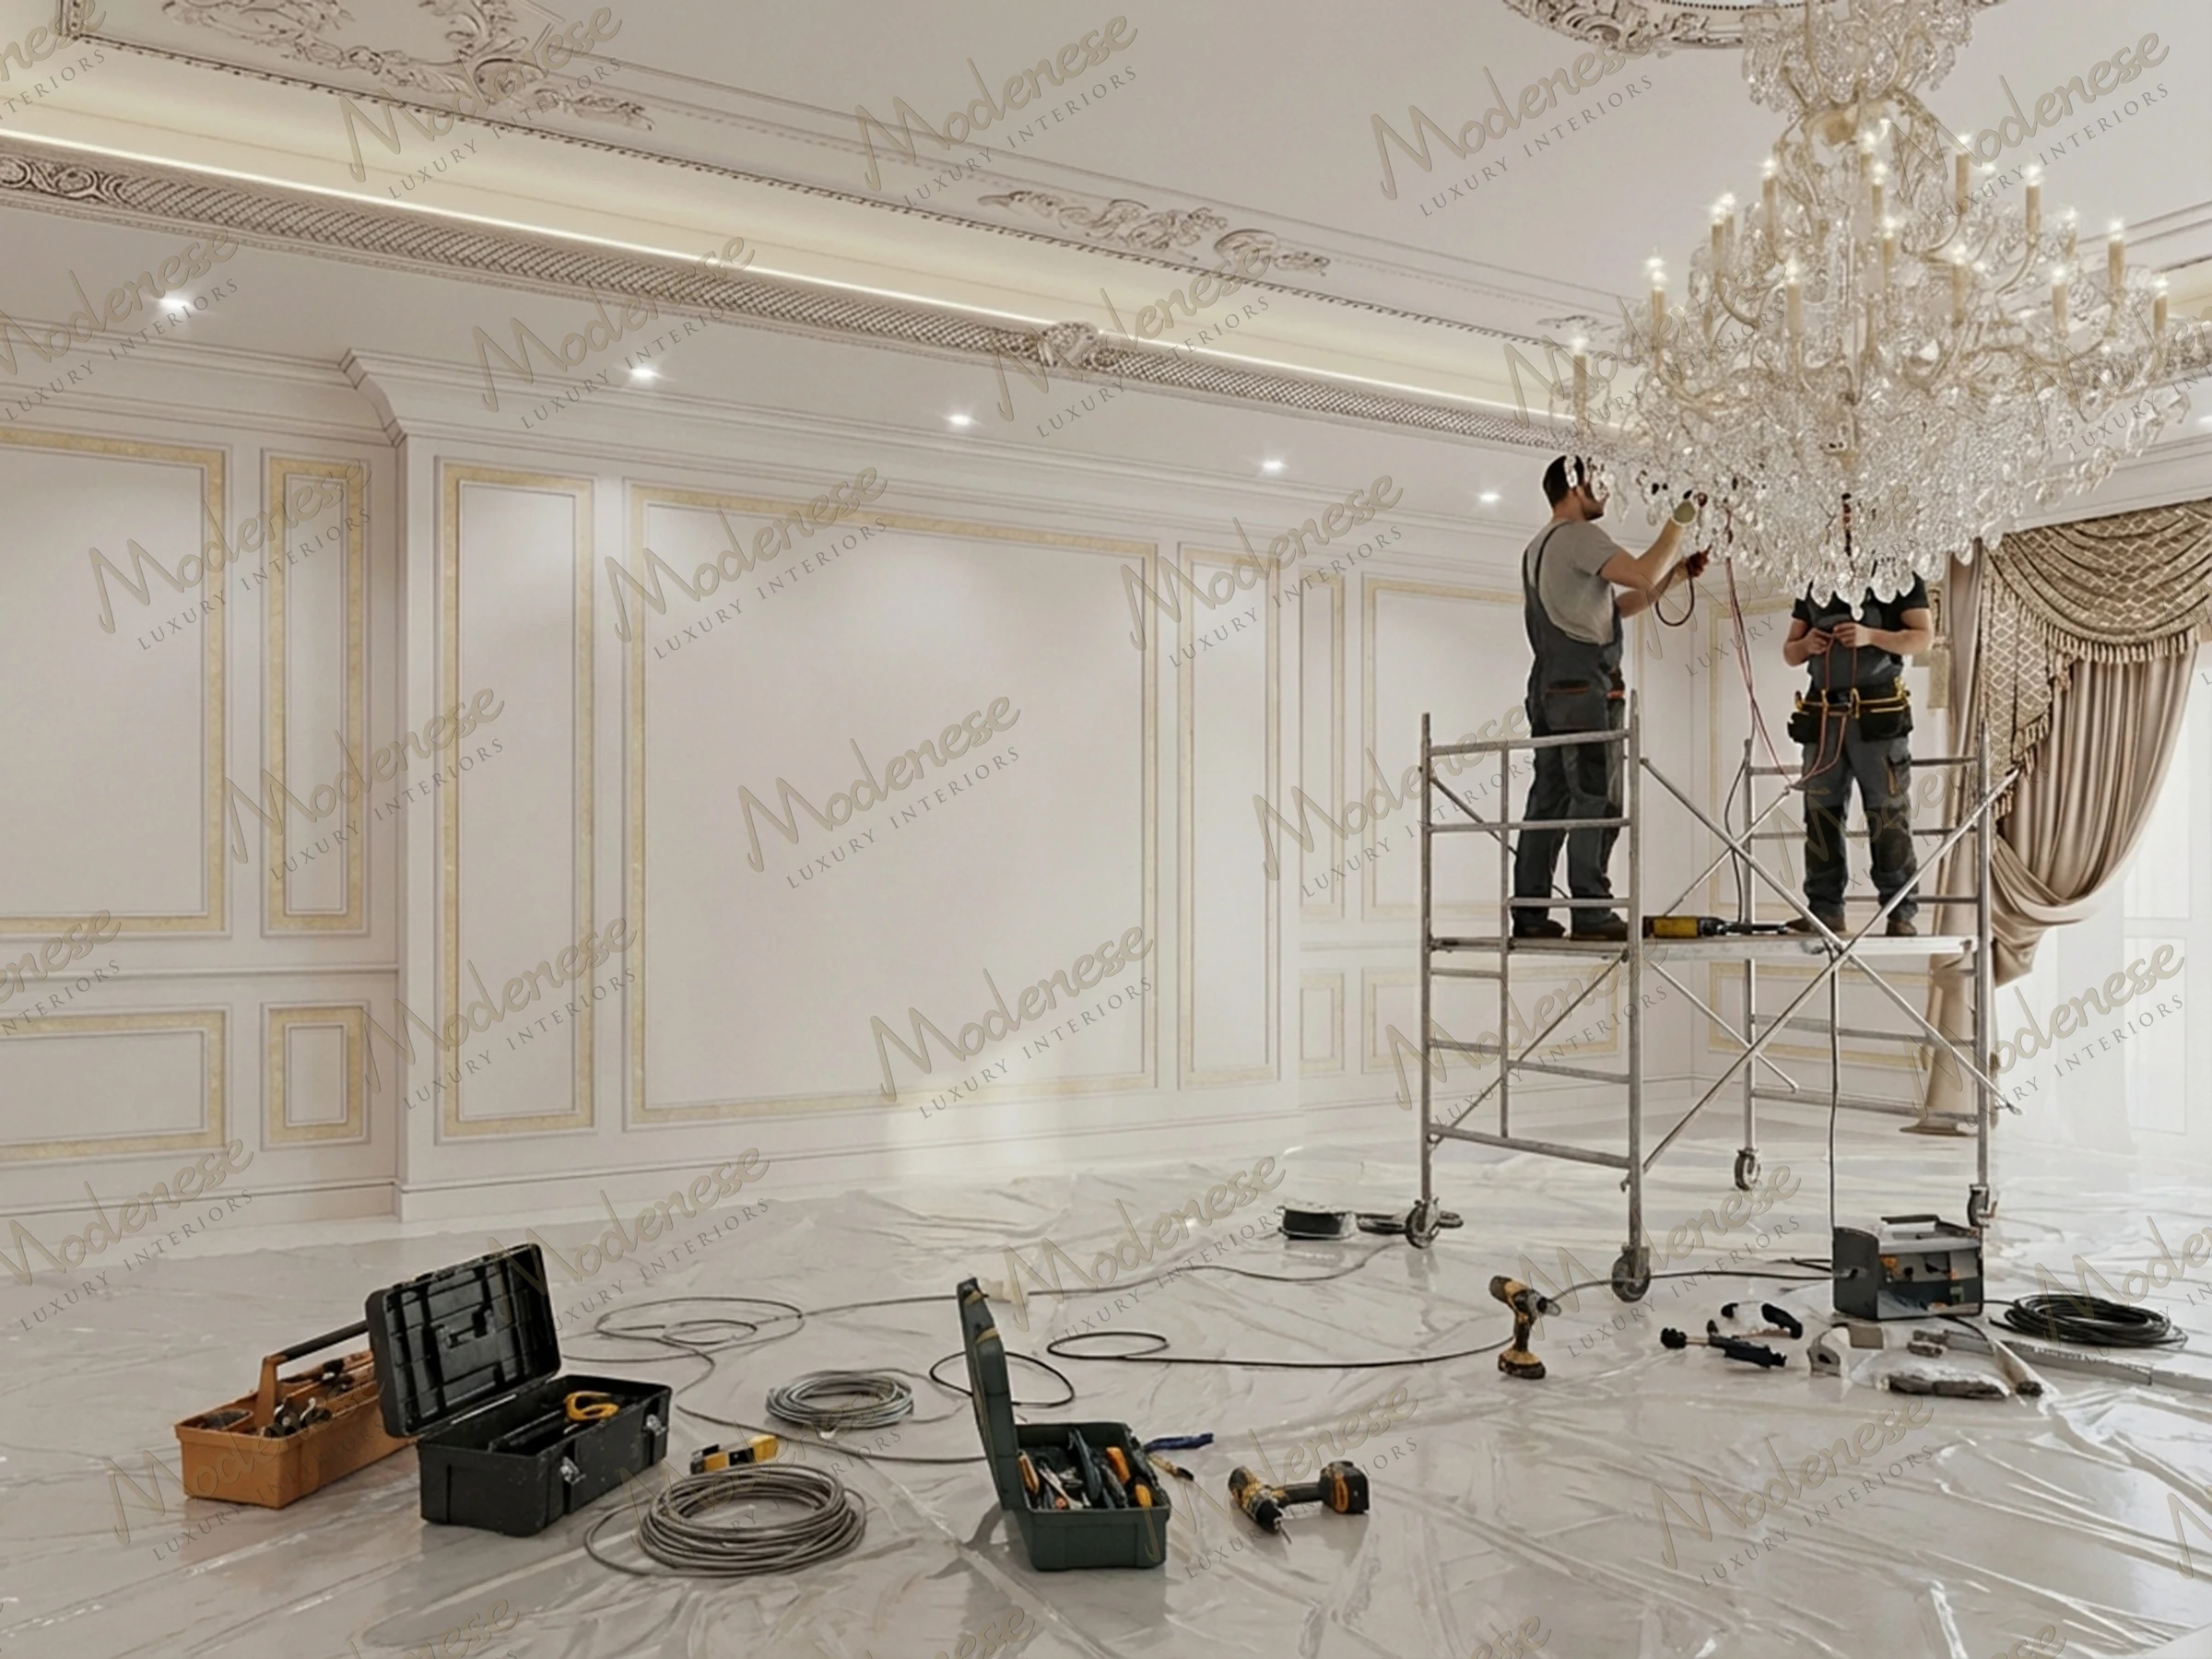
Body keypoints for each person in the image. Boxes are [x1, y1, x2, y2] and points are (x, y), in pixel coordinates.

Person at [1510, 456, 1705, 942]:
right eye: (1598, 484)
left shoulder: (1539, 547)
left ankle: (1531, 912)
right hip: (1584, 690)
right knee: (1597, 797)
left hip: (1548, 687)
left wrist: (1675, 577)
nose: (1606, 493)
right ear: (1574, 486)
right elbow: (1639, 574)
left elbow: (1615, 607)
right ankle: (1592, 909)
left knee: (1550, 800)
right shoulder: (1579, 536)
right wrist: (1679, 523)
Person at [1780, 576, 1934, 936]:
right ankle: (1824, 911)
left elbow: (1922, 636)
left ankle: (1900, 911)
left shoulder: (1898, 576)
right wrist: (1806, 644)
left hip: (1877, 714)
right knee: (1821, 815)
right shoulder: (1814, 577)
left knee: (1887, 813)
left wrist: (1871, 636)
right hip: (1822, 716)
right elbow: (1790, 652)